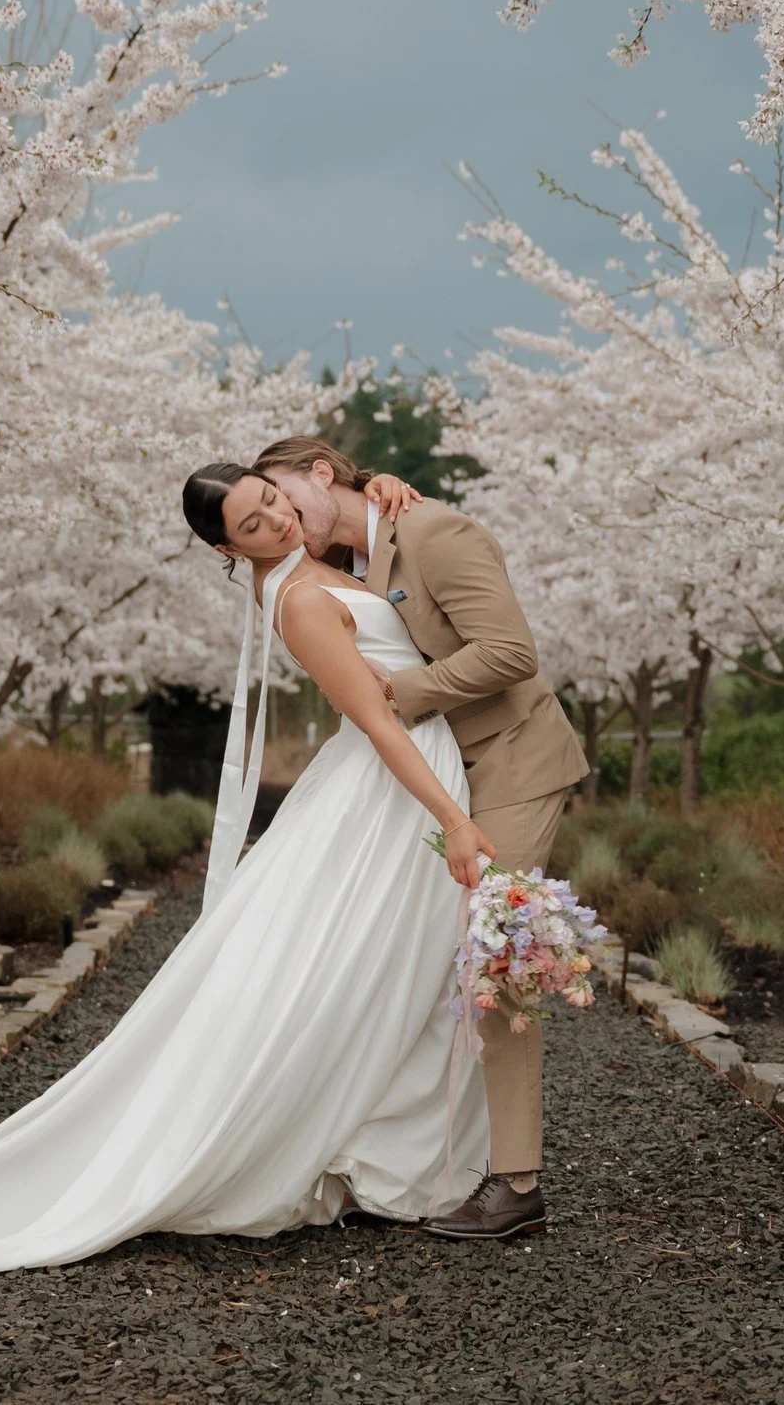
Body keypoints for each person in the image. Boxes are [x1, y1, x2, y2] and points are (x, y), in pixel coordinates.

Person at [0, 464, 501, 1281]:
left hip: (389, 786)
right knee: (373, 968)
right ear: (227, 548)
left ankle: (386, 1148)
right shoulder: (299, 599)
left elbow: (338, 498)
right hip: (393, 787)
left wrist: (372, 480)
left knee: (396, 966)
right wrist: (453, 819)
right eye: (253, 524)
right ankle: (350, 1145)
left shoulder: (311, 559)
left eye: (274, 501)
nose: (279, 520)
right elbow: (380, 720)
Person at [253, 436, 590, 1241]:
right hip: (447, 778)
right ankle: (422, 1154)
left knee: (496, 953)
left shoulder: (434, 531)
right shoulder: (357, 551)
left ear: (322, 473)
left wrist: (402, 694)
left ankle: (516, 1185)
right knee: (420, 955)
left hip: (511, 766)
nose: (285, 520)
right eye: (267, 514)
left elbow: (511, 653)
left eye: (288, 500)